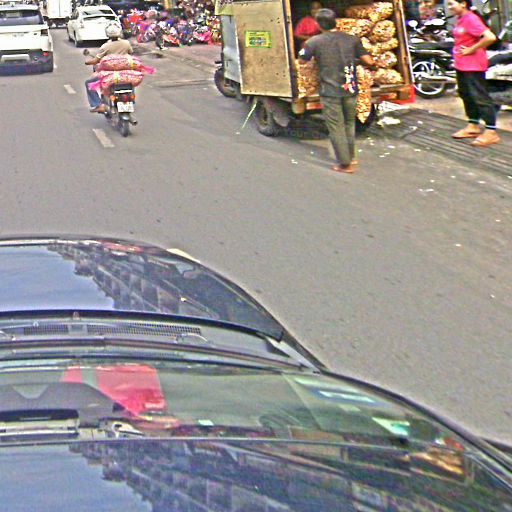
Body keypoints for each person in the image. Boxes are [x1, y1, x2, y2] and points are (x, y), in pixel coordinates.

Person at [298, 8, 375, 173]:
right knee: (349, 124)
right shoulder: (352, 39)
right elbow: (369, 61)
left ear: (318, 24)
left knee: (336, 127)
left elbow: (302, 60)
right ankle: (351, 157)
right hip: (350, 88)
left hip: (330, 91)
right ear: (336, 22)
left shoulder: (314, 42)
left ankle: (344, 164)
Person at [448, 0, 499, 146]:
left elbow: (490, 37)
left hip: (473, 65)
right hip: (462, 65)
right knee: (466, 94)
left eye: (451, 4)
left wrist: (471, 49)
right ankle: (473, 125)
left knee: (479, 96)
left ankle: (491, 131)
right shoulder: (461, 19)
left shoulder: (471, 18)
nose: (449, 8)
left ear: (463, 3)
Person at [84, 24, 133, 114]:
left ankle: (99, 105)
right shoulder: (126, 43)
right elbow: (130, 53)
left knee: (89, 83)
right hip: (124, 73)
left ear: (107, 34)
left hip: (110, 74)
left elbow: (96, 60)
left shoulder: (105, 46)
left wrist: (87, 62)